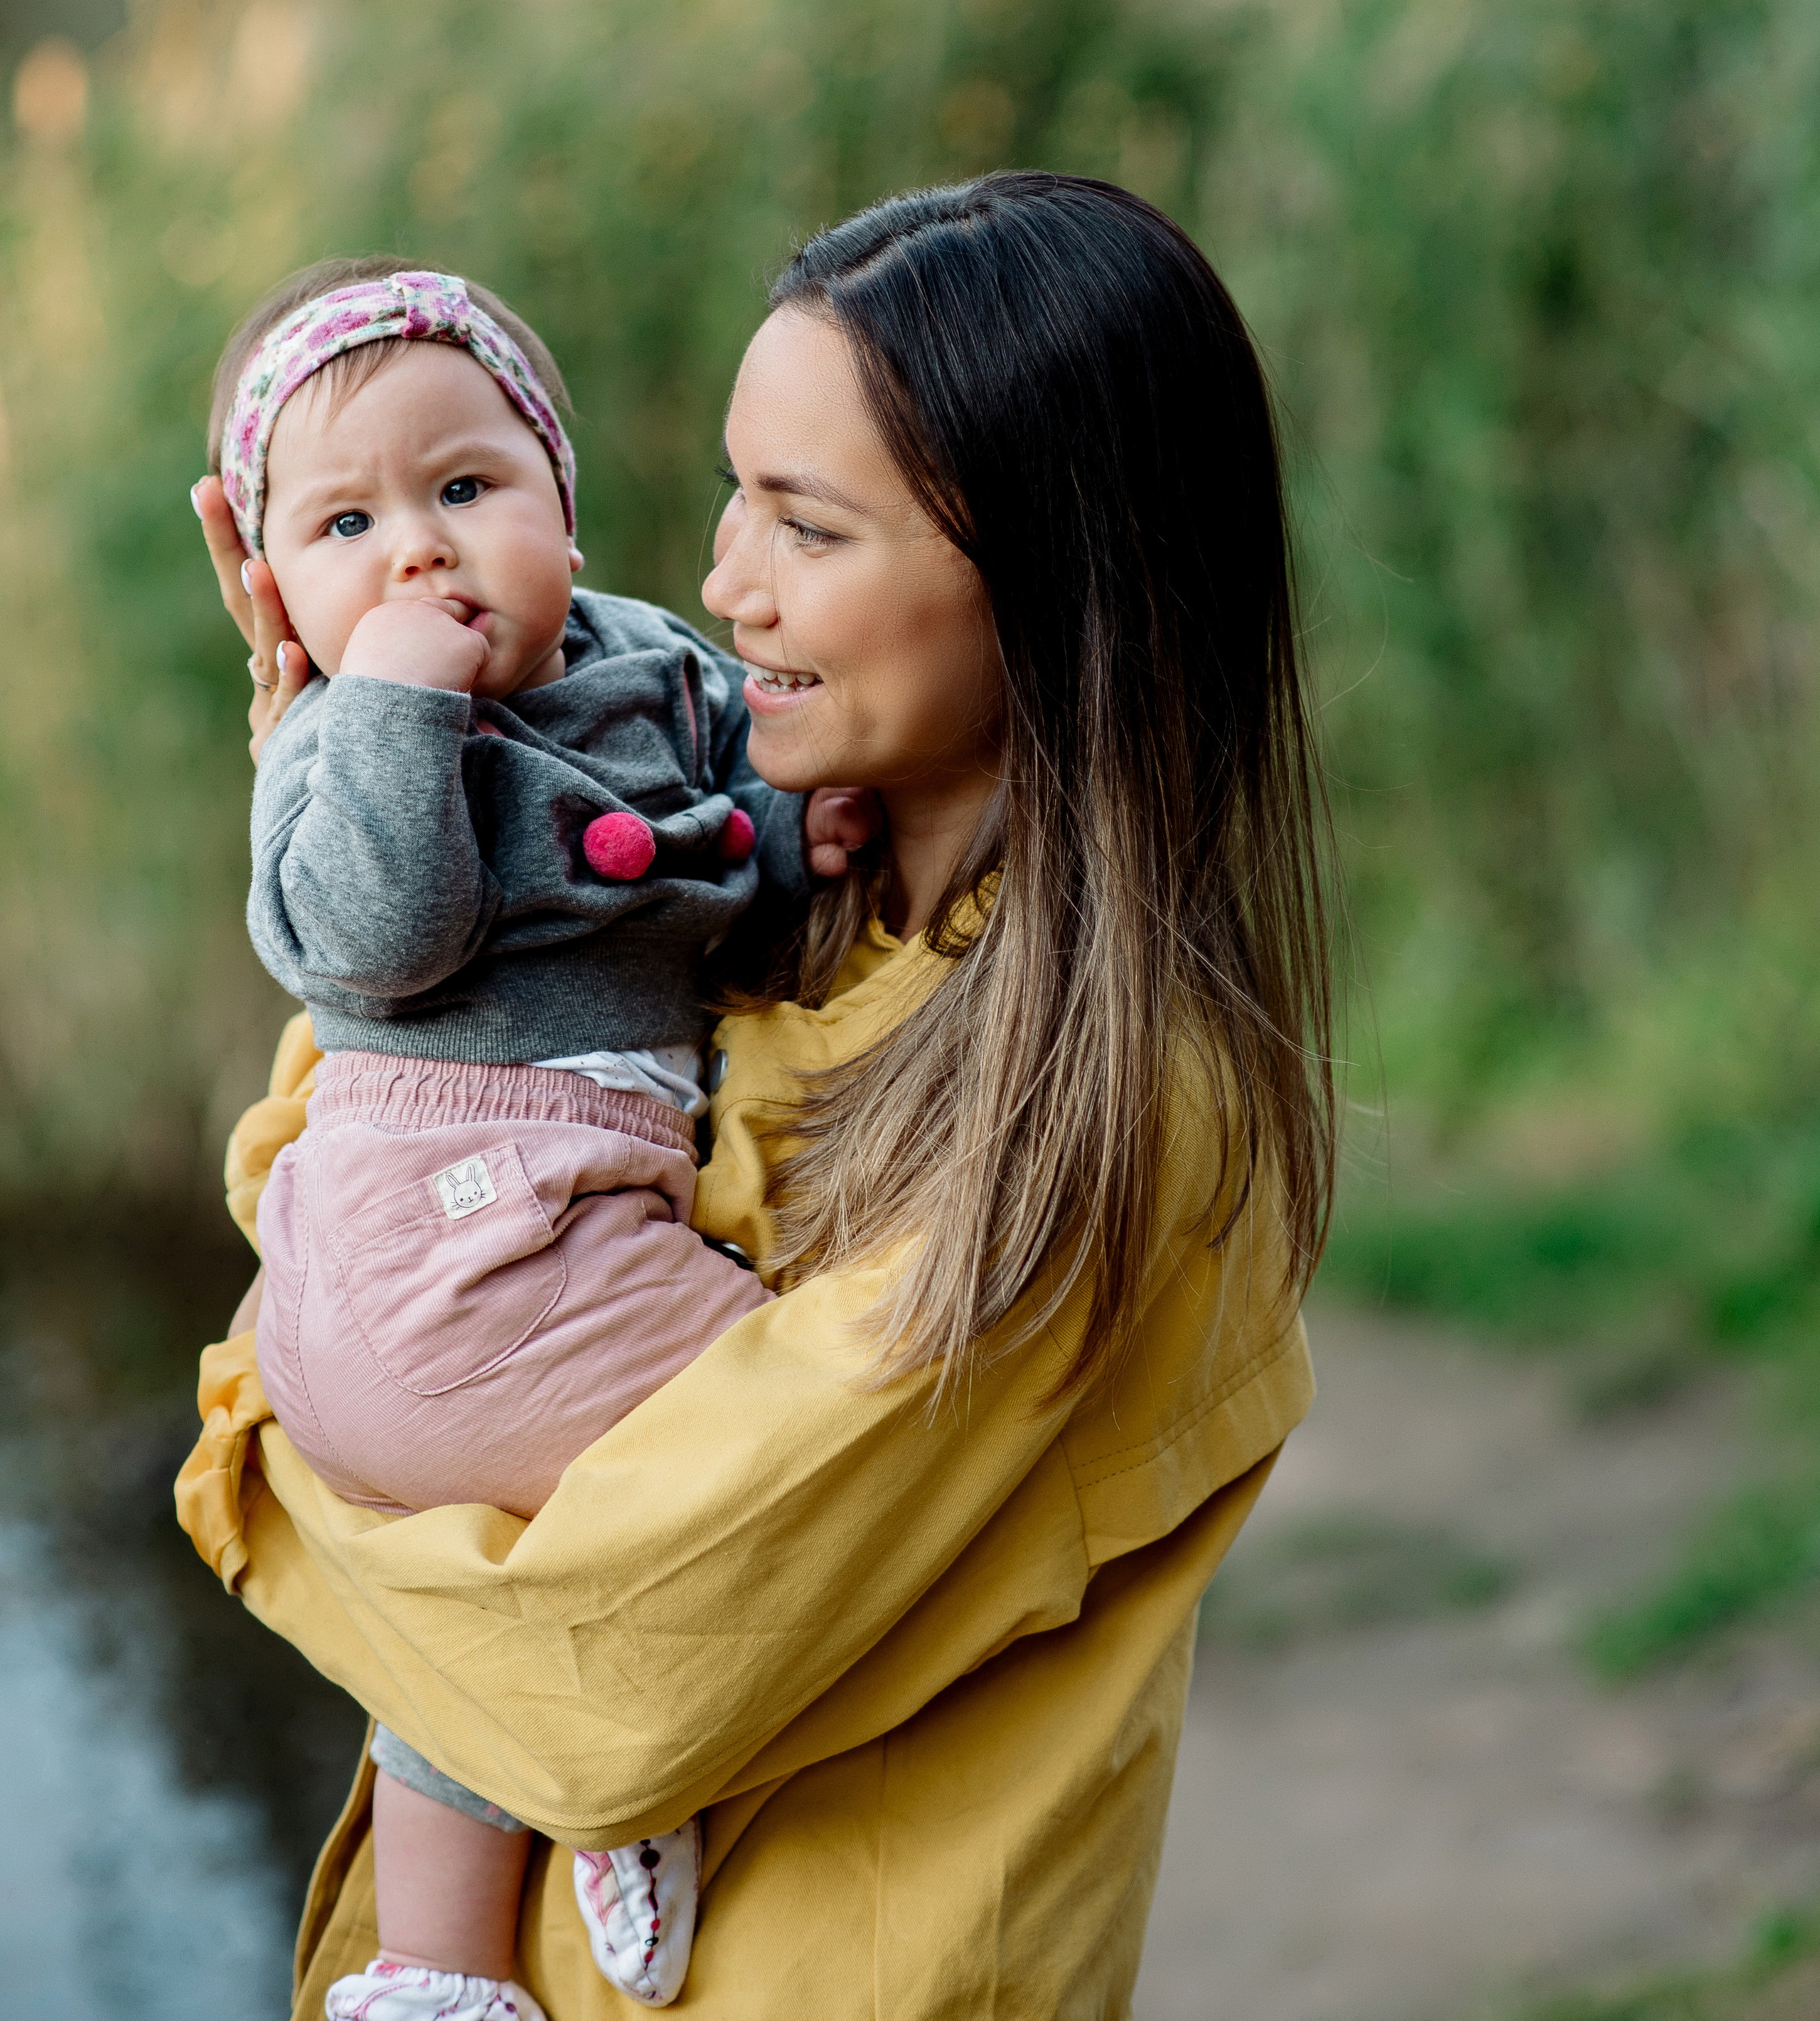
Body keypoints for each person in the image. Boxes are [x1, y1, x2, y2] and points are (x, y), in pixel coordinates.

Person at [181, 171, 1336, 2021]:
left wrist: (274, 1458)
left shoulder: (1103, 1117)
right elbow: (336, 1115)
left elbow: (603, 1674)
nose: (721, 583)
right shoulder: (756, 901)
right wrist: (349, 740)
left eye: (805, 523)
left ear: (1049, 568)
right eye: (735, 494)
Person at [197, 257, 870, 2017]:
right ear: (275, 587)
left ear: (561, 505)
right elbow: (376, 944)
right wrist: (399, 708)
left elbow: (726, 876)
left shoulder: (653, 663)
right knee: (795, 1415)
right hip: (458, 1238)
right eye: (346, 526)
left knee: (485, 1618)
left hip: (501, 1259)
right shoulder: (342, 745)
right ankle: (623, 1756)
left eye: (466, 490)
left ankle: (433, 1965)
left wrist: (808, 844)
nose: (417, 552)